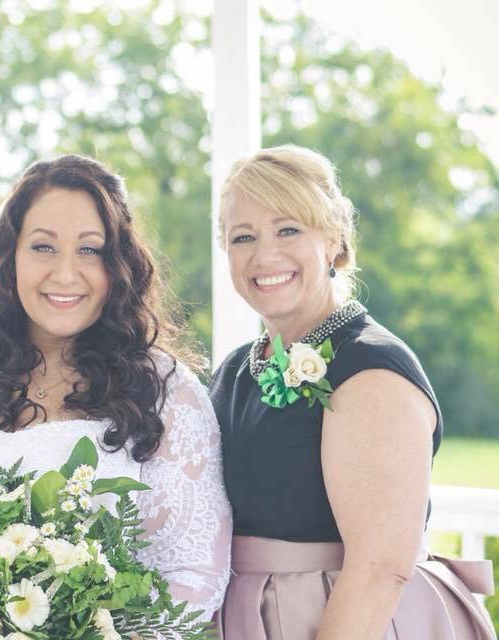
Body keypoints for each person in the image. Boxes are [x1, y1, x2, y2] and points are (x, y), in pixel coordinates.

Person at [0, 154, 232, 638]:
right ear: (10, 255)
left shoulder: (165, 390)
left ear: (119, 263)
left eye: (89, 250)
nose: (64, 274)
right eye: (43, 247)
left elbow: (194, 571)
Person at [210, 144, 496, 639]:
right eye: (243, 237)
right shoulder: (236, 370)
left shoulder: (369, 367)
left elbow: (381, 566)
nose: (264, 254)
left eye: (288, 229)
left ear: (333, 239)